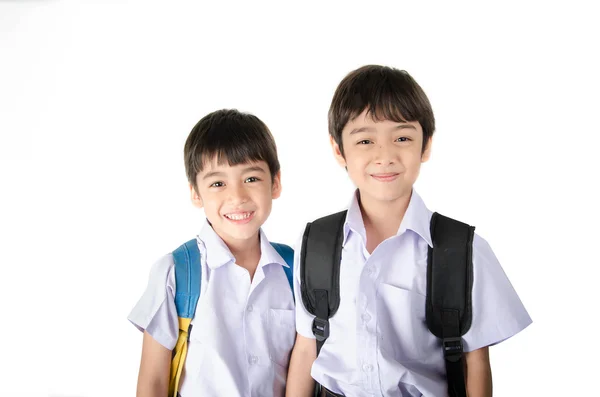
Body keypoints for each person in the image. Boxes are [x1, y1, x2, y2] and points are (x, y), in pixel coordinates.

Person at [286, 65, 532, 397]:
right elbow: (306, 348)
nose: (384, 156)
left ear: (425, 145)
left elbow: (475, 363)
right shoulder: (316, 242)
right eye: (365, 140)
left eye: (402, 138)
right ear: (338, 149)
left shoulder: (463, 250)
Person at [129, 109, 296, 397]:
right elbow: (152, 383)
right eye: (218, 183)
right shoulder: (177, 273)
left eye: (252, 178)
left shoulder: (295, 269)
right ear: (196, 193)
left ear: (276, 183)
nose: (237, 197)